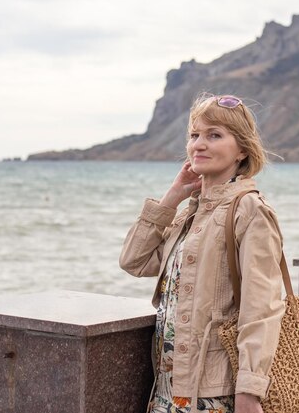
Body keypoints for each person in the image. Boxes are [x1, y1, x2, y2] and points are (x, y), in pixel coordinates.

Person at [119, 93, 286, 413]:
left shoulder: (249, 211)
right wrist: (173, 196)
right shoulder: (189, 215)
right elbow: (133, 261)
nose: (199, 144)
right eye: (194, 135)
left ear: (242, 150)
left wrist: (249, 391)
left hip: (213, 395)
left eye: (214, 135)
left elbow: (262, 307)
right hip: (168, 391)